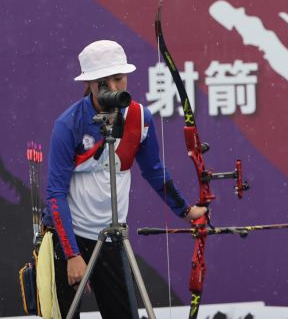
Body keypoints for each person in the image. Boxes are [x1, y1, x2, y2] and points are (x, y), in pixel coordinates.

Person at [42, 39, 206, 318]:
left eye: (119, 79)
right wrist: (71, 254)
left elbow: (153, 170)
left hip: (112, 236)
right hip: (69, 237)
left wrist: (185, 210)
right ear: (91, 84)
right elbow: (55, 193)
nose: (115, 89)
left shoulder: (139, 117)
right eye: (105, 83)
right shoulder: (68, 124)